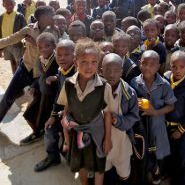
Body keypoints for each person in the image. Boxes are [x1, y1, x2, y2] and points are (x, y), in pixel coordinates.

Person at [57, 39, 112, 185]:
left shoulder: (104, 86)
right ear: (76, 62)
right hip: (77, 133)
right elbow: (66, 112)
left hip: (97, 134)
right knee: (81, 164)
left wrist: (107, 139)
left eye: (94, 62)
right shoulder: (68, 84)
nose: (89, 67)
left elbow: (107, 114)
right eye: (84, 62)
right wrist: (67, 138)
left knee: (99, 165)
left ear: (98, 63)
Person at [0, 6, 55, 122]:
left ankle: (39, 129)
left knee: (37, 102)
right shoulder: (29, 30)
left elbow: (54, 53)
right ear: (42, 17)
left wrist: (35, 43)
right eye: (51, 15)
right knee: (8, 98)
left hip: (40, 74)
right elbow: (10, 39)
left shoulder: (53, 32)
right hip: (24, 69)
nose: (53, 17)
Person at [131, 50, 176, 184]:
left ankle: (157, 172)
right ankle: (145, 172)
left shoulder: (164, 85)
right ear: (140, 64)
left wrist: (154, 112)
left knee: (158, 151)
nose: (148, 67)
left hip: (158, 125)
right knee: (142, 151)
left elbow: (171, 106)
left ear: (158, 66)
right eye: (144, 63)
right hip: (140, 126)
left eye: (152, 64)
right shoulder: (134, 82)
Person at [34, 39, 76, 172]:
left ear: (74, 56)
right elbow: (59, 94)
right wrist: (53, 115)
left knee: (70, 136)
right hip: (62, 111)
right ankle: (53, 157)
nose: (62, 58)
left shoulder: (78, 74)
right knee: (49, 128)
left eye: (66, 55)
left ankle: (71, 157)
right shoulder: (61, 70)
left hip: (75, 115)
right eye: (59, 55)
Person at [102, 53, 140, 185]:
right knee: (106, 170)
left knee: (124, 172)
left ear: (122, 72)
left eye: (116, 70)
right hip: (101, 140)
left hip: (122, 141)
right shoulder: (96, 89)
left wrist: (119, 121)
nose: (112, 74)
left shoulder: (129, 93)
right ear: (101, 70)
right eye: (108, 70)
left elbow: (134, 116)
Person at [164, 50, 185, 185]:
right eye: (174, 66)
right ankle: (170, 172)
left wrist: (181, 130)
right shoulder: (166, 78)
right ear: (169, 66)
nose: (177, 70)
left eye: (182, 67)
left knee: (182, 156)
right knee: (170, 152)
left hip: (181, 128)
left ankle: (180, 180)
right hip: (166, 125)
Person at [21, 32, 59, 144]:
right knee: (29, 114)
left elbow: (63, 75)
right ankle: (37, 132)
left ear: (54, 46)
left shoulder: (57, 59)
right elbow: (40, 76)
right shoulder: (40, 59)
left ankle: (40, 133)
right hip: (41, 92)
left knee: (47, 118)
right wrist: (33, 86)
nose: (44, 49)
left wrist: (55, 77)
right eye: (40, 47)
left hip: (52, 96)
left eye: (47, 46)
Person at [0, 0, 27, 73]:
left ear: (14, 4)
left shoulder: (19, 16)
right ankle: (14, 77)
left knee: (19, 62)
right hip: (6, 45)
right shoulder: (1, 17)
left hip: (17, 45)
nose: (9, 6)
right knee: (12, 61)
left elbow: (24, 30)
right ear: (3, 5)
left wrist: (25, 44)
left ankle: (19, 79)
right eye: (6, 4)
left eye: (11, 4)